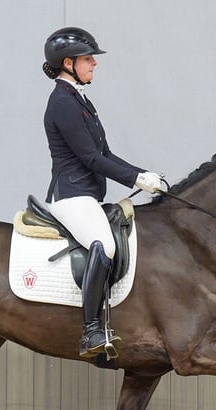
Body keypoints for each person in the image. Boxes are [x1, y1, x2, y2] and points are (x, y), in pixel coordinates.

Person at [42, 27, 162, 358]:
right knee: (104, 244)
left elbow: (105, 154)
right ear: (68, 63)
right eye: (87, 59)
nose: (94, 63)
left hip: (86, 194)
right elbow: (91, 159)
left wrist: (142, 174)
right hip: (71, 195)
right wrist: (136, 179)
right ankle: (91, 331)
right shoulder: (63, 104)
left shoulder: (81, 101)